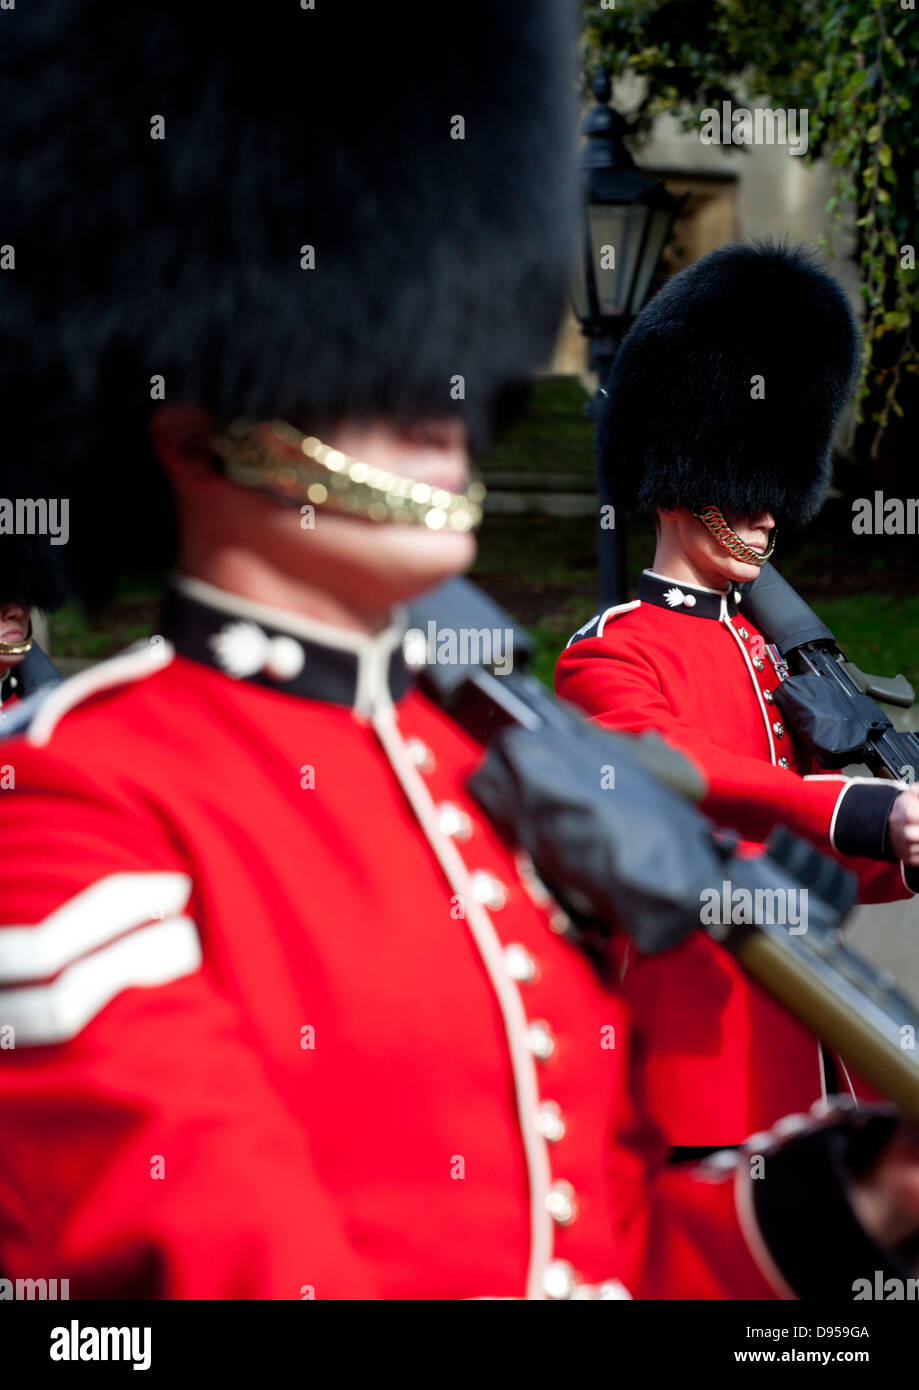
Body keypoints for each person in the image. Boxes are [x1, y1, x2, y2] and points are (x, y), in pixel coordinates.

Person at [1, 3, 919, 1301]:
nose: (435, 398)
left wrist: (860, 1195)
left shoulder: (476, 764)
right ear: (190, 419)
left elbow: (597, 1249)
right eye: (360, 355)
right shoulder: (78, 799)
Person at [555, 242, 919, 1154]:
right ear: (678, 481)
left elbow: (804, 845)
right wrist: (865, 808)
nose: (765, 515)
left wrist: (904, 847)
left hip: (815, 1052)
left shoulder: (766, 651)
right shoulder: (608, 653)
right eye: (744, 488)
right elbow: (684, 778)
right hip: (703, 1067)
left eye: (773, 493)